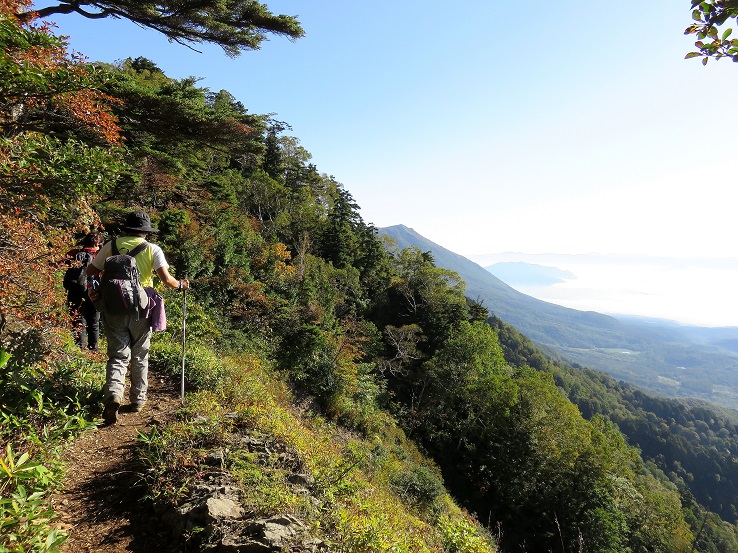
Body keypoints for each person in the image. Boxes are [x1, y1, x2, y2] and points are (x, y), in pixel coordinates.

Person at [87, 211, 189, 425]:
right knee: (140, 355)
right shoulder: (153, 249)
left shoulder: (111, 245)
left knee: (117, 356)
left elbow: (91, 270)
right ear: (146, 231)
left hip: (113, 307)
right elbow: (168, 280)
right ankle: (137, 400)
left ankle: (114, 394)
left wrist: (97, 287)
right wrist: (181, 285)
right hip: (142, 308)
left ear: (127, 228)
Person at [63, 232, 103, 351]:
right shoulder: (99, 256)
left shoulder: (73, 253)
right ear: (96, 243)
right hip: (94, 291)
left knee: (78, 320)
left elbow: (58, 264)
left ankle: (80, 349)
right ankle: (93, 350)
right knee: (94, 321)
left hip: (75, 290)